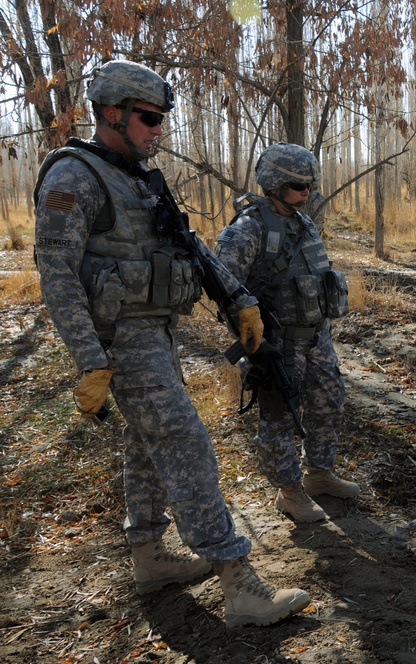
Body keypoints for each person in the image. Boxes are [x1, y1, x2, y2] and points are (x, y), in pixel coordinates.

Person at [33, 59, 310, 628]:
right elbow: (56, 273)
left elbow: (190, 245)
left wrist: (238, 299)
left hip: (155, 332)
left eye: (162, 119)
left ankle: (149, 555)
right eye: (150, 119)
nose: (159, 130)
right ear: (112, 113)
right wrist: (89, 360)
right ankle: (239, 585)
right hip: (120, 341)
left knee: (146, 444)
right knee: (184, 440)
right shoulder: (73, 177)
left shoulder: (138, 176)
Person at [215, 142, 358, 523]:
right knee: (278, 417)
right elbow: (223, 289)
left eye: (310, 186)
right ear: (275, 184)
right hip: (277, 346)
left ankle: (319, 475)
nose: (306, 193)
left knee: (329, 404)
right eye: (298, 186)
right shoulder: (248, 229)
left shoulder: (302, 220)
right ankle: (289, 490)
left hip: (316, 336)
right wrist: (254, 344)